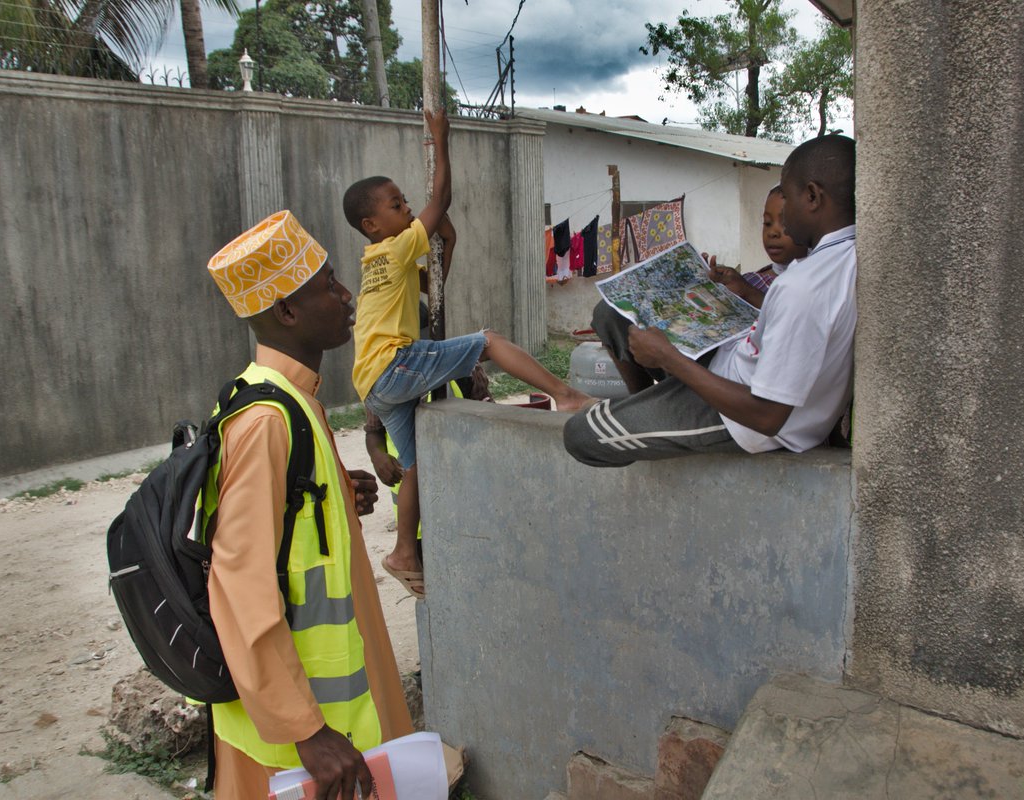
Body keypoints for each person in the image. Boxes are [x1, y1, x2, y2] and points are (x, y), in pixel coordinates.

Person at [205, 210, 413, 800]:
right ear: (287, 312)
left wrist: (333, 496)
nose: (347, 296)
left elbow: (282, 529)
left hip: (327, 718)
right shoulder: (267, 422)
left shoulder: (295, 403)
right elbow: (239, 585)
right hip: (293, 745)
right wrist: (306, 730)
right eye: (327, 286)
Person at [344, 109, 593, 598]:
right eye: (398, 205)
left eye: (406, 201)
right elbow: (443, 199)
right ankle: (564, 395)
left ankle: (403, 551)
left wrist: (446, 234)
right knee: (489, 340)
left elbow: (435, 271)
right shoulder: (393, 249)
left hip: (374, 383)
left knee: (417, 464)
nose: (408, 208)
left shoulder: (376, 262)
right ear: (373, 224)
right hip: (394, 366)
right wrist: (441, 140)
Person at [563, 134, 857, 466]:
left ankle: (659, 413)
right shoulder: (843, 257)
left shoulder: (804, 285)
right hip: (735, 370)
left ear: (813, 196)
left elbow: (766, 416)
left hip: (744, 420)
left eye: (786, 199)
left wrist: (669, 357)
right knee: (615, 313)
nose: (782, 217)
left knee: (580, 436)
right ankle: (653, 406)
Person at [592, 184, 810, 394]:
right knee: (608, 313)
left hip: (729, 380)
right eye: (767, 223)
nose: (773, 233)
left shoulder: (805, 284)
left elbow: (789, 325)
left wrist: (747, 293)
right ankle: (641, 397)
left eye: (785, 224)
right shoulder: (755, 277)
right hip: (692, 354)